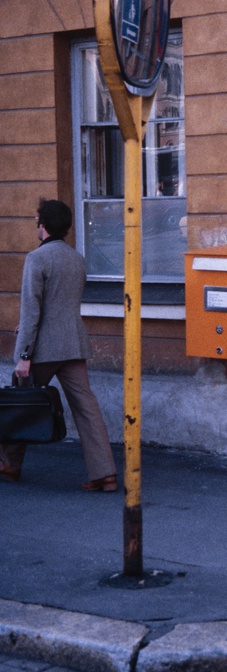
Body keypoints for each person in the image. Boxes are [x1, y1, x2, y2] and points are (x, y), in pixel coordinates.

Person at [0, 200, 117, 491]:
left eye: (37, 220)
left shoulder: (36, 258)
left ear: (43, 225)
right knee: (87, 407)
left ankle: (9, 463)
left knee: (19, 400)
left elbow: (32, 309)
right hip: (73, 343)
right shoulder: (76, 258)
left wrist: (24, 354)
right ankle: (105, 473)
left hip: (43, 349)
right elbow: (60, 303)